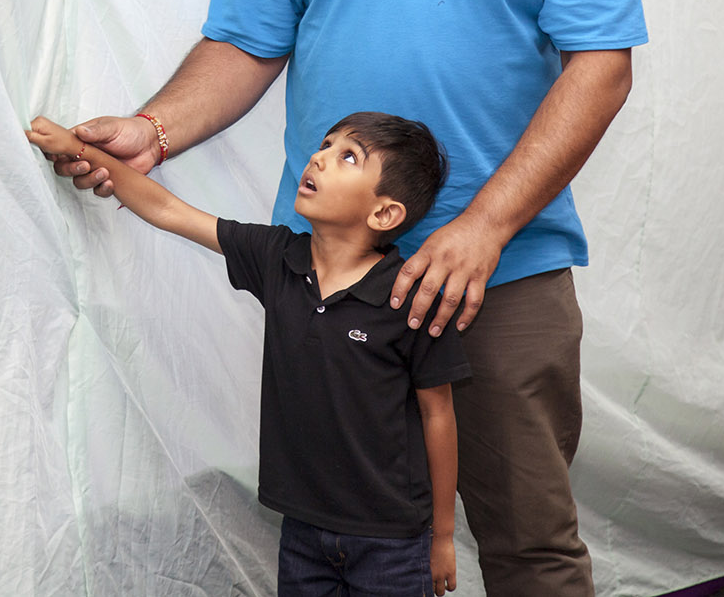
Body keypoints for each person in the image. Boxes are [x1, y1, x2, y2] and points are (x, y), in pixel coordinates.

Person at [54, 0, 647, 596]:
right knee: (340, 541)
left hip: (500, 275)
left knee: (529, 547)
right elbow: (246, 40)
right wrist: (153, 131)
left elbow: (601, 69)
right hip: (334, 285)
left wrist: (482, 228)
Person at [28, 111, 470, 596]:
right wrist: (82, 150)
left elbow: (439, 414)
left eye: (348, 157)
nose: (320, 158)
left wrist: (443, 536)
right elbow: (168, 209)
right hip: (301, 527)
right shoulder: (278, 257)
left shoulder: (412, 299)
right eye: (326, 144)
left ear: (384, 214)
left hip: (391, 540)